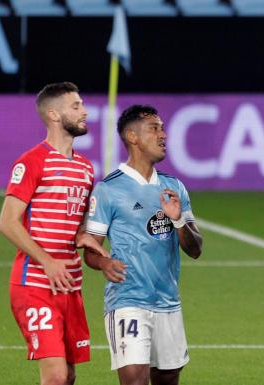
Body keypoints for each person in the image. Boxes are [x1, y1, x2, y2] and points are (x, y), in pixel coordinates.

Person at [83, 105, 203, 385]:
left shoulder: (174, 187)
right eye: (155, 128)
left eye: (162, 128)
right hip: (127, 300)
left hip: (168, 302)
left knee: (168, 379)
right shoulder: (109, 189)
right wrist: (104, 262)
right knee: (134, 380)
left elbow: (195, 249)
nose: (164, 134)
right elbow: (90, 249)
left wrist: (177, 222)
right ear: (132, 136)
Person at [0, 81, 108, 385]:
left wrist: (85, 235)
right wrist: (46, 260)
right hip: (35, 283)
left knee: (69, 375)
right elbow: (7, 222)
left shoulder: (86, 168)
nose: (85, 111)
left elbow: (76, 221)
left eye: (83, 104)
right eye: (76, 106)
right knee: (56, 376)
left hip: (70, 285)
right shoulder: (32, 161)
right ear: (54, 115)